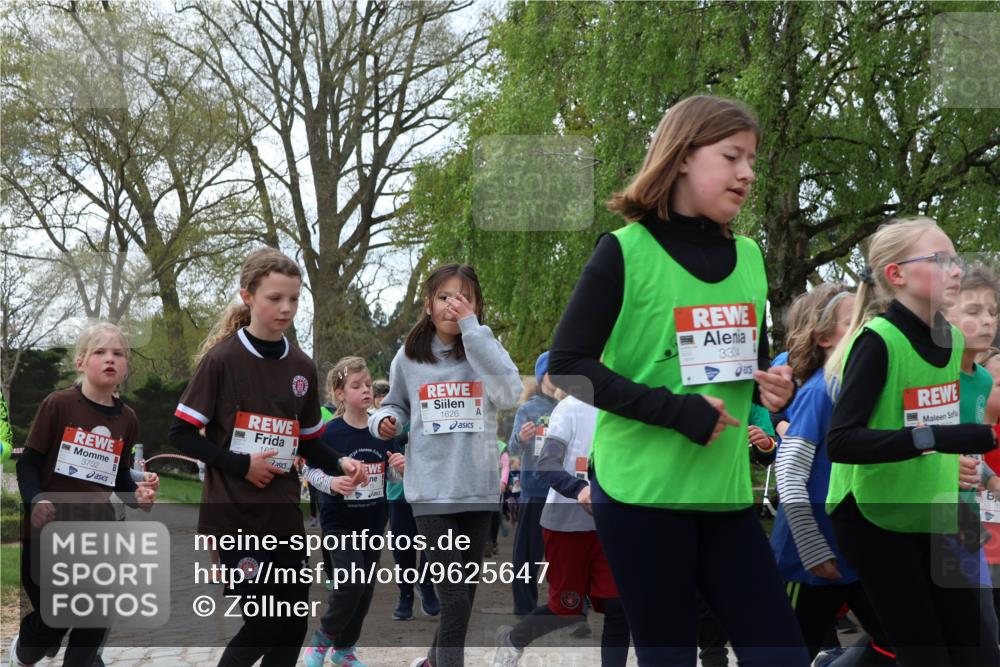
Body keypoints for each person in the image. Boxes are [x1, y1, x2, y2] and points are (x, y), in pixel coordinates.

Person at [549, 94, 806, 666]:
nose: (747, 173)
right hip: (642, 496)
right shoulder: (623, 251)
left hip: (725, 495)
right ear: (684, 156)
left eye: (753, 161)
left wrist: (773, 389)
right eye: (733, 155)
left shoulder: (750, 258)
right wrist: (676, 410)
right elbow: (568, 366)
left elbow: (747, 361)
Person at [169, 247, 366, 667]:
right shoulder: (222, 360)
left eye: (293, 299)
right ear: (248, 296)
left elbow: (310, 442)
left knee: (292, 625)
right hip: (234, 517)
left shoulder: (301, 366)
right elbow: (181, 434)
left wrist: (341, 462)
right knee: (262, 625)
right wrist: (242, 465)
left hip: (282, 515)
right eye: (275, 298)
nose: (286, 308)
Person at [825, 217, 1000, 665]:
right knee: (925, 654)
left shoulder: (951, 342)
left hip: (935, 509)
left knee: (977, 650)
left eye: (956, 259)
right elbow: (842, 442)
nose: (956, 269)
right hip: (872, 516)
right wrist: (937, 438)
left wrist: (961, 461)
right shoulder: (878, 341)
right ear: (896, 276)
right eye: (940, 260)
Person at [370, 263, 522, 667]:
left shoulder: (486, 348)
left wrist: (474, 331)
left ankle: (433, 662)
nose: (453, 305)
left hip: (478, 488)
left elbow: (509, 394)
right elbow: (395, 405)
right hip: (431, 489)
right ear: (427, 304)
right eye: (444, 297)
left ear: (476, 305)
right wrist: (385, 422)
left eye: (463, 298)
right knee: (453, 595)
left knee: (464, 595)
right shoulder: (408, 357)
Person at [12, 321, 156, 667]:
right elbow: (28, 464)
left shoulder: (129, 419)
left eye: (118, 354)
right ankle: (23, 649)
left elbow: (117, 476)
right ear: (80, 363)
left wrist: (138, 495)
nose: (110, 359)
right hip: (49, 530)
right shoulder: (58, 405)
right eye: (100, 352)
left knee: (94, 621)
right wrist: (37, 500)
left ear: (126, 366)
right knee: (54, 619)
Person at [492, 392, 630, 667]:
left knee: (619, 608)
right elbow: (547, 463)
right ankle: (513, 640)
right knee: (567, 608)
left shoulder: (627, 403)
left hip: (611, 524)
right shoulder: (570, 408)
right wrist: (579, 489)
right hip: (567, 524)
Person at [302, 356, 406, 667]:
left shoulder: (384, 430)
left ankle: (345, 650)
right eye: (355, 385)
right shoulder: (330, 433)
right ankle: (320, 642)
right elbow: (307, 471)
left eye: (367, 385)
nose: (365, 390)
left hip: (374, 522)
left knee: (364, 592)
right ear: (339, 393)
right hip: (339, 523)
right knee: (350, 584)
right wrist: (332, 482)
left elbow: (393, 474)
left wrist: (400, 468)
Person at [507, 351, 559, 616]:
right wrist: (522, 438)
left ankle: (571, 605)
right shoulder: (529, 408)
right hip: (535, 489)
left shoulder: (572, 405)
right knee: (528, 553)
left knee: (566, 553)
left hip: (566, 492)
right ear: (541, 376)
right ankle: (524, 605)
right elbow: (512, 447)